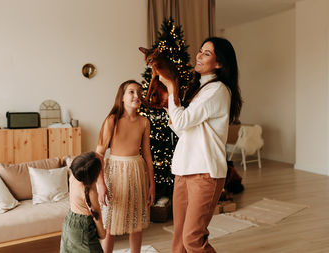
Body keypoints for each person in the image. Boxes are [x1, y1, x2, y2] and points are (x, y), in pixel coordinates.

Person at [158, 37, 243, 253]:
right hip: (183, 170)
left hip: (205, 172)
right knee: (179, 239)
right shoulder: (199, 89)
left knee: (193, 239)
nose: (199, 56)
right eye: (200, 51)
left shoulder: (218, 90)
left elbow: (183, 121)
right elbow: (182, 129)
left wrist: (170, 86)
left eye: (207, 53)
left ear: (220, 63)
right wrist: (172, 106)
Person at [96, 80, 155, 253]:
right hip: (115, 172)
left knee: (136, 221)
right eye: (131, 92)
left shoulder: (144, 122)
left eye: (139, 92)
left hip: (137, 171)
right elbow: (99, 154)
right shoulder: (112, 120)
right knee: (111, 222)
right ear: (121, 97)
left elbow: (147, 154)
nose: (137, 96)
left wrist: (152, 184)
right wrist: (101, 184)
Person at [60, 151, 106, 253]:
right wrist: (102, 233)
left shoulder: (73, 177)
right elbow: (97, 215)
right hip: (83, 229)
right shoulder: (91, 192)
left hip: (69, 222)